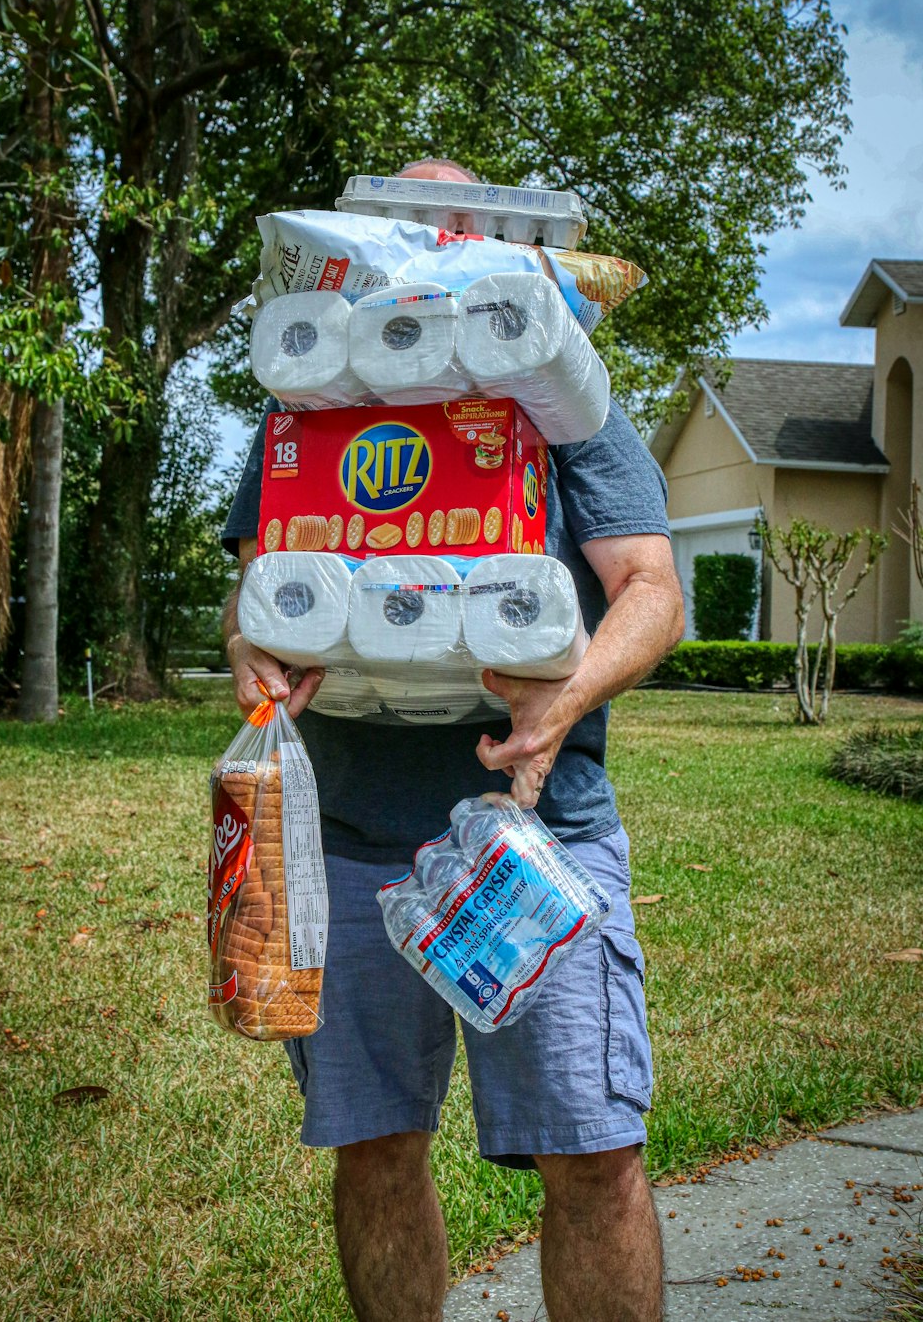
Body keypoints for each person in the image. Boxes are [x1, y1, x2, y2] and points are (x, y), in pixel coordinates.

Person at [221, 158, 684, 1322]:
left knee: (591, 1152)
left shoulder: (552, 381)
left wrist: (565, 695)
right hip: (354, 844)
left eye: (442, 235)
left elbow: (652, 589)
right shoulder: (308, 402)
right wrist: (250, 651)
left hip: (534, 846)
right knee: (374, 1150)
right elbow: (258, 593)